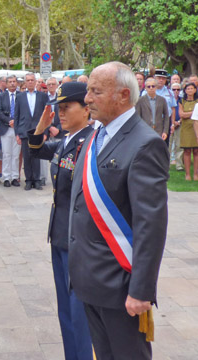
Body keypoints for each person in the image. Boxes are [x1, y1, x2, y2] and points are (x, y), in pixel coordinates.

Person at [69, 61, 169, 359]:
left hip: (121, 286)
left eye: (95, 92)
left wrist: (141, 289)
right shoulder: (94, 136)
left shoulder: (145, 144)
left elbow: (150, 224)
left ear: (123, 95)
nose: (87, 99)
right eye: (88, 91)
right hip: (90, 279)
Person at [28, 81, 94, 360]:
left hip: (78, 239)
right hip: (60, 234)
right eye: (59, 108)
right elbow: (36, 148)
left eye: (67, 107)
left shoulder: (91, 141)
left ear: (87, 108)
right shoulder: (68, 140)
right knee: (65, 309)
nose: (62, 113)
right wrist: (42, 124)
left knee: (79, 313)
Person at [14, 72, 49, 190]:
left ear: (35, 82)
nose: (30, 82)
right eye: (28, 80)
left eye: (32, 80)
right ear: (25, 82)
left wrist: (45, 132)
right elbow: (17, 116)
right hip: (24, 130)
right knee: (27, 156)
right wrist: (17, 133)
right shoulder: (20, 96)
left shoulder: (42, 96)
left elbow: (46, 115)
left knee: (37, 156)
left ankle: (37, 180)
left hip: (38, 130)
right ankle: (28, 180)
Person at [0, 75, 21, 187]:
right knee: (6, 154)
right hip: (6, 128)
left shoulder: (21, 95)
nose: (12, 84)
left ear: (17, 83)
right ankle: (6, 177)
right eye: (10, 82)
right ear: (6, 83)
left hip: (18, 129)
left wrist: (16, 121)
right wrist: (9, 120)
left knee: (16, 154)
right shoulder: (1, 96)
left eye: (14, 82)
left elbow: (23, 111)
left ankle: (15, 176)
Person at [178, 82, 198, 180]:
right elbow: (182, 114)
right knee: (186, 151)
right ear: (185, 91)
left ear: (195, 90)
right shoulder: (182, 101)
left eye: (192, 88)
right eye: (188, 89)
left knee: (196, 151)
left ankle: (195, 174)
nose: (190, 90)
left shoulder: (197, 101)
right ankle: (187, 174)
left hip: (196, 128)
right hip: (186, 128)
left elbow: (186, 114)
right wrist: (194, 113)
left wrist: (188, 114)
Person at [170, 82, 184, 171]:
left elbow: (184, 112)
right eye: (173, 89)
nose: (176, 91)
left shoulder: (182, 100)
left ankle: (179, 165)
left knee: (179, 145)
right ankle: (166, 164)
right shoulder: (168, 99)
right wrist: (173, 122)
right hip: (170, 124)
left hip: (180, 124)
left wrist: (179, 121)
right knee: (168, 144)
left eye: (178, 89)